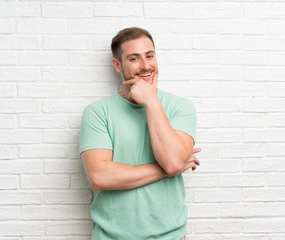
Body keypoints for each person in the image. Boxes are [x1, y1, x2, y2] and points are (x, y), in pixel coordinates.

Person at [79, 27, 200, 240]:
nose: (145, 66)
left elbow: (172, 162)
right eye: (134, 58)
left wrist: (151, 101)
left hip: (170, 236)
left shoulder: (180, 107)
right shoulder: (97, 113)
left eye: (150, 56)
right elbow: (99, 176)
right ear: (118, 65)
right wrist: (165, 171)